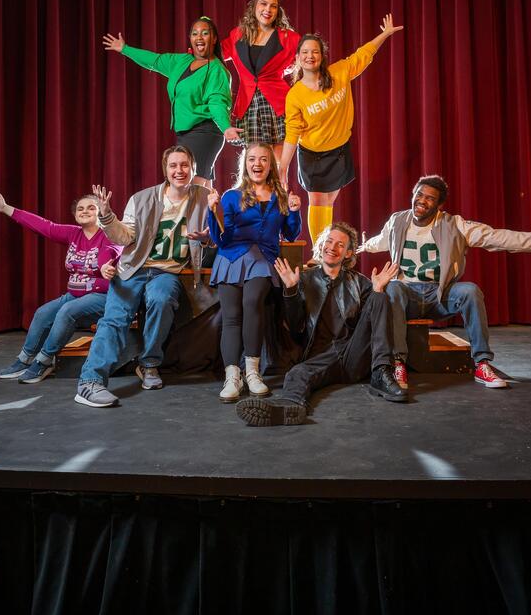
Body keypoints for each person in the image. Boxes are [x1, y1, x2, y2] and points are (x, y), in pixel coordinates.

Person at [358, 175, 531, 390]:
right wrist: (361, 247)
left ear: (439, 205)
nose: (422, 201)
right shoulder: (398, 221)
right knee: (394, 287)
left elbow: (498, 237)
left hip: (440, 294)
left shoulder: (455, 225)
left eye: (430, 198)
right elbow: (381, 241)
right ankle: (398, 363)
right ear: (412, 195)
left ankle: (481, 364)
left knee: (470, 291)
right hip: (406, 293)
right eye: (419, 194)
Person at [74, 145, 210, 408]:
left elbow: (217, 233)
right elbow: (125, 237)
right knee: (115, 318)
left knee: (162, 299)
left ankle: (149, 365)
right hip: (134, 268)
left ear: (193, 168)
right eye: (173, 165)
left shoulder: (205, 197)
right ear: (165, 170)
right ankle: (90, 382)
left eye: (184, 165)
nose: (179, 171)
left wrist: (207, 238)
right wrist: (106, 216)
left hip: (166, 271)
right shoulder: (142, 198)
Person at [235, 222, 405, 427]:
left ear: (349, 253)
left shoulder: (361, 283)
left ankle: (381, 372)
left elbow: (372, 323)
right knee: (297, 374)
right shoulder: (304, 279)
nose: (332, 247)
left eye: (340, 245)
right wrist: (290, 291)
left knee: (380, 298)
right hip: (320, 357)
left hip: (353, 355)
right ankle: (290, 407)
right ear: (321, 244)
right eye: (329, 241)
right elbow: (296, 327)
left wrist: (377, 290)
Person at [278, 14, 403, 248]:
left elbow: (363, 56)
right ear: (297, 58)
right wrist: (283, 167)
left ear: (322, 56)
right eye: (304, 52)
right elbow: (292, 132)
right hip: (312, 154)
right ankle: (319, 252)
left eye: (315, 51)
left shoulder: (339, 73)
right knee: (317, 199)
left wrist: (384, 35)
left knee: (329, 202)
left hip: (338, 149)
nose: (310, 56)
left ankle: (325, 248)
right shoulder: (295, 95)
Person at [0, 192, 120, 383]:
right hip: (75, 295)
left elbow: (111, 253)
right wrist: (6, 209)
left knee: (67, 310)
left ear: (100, 212)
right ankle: (25, 359)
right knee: (43, 312)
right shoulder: (73, 234)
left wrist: (106, 267)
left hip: (103, 296)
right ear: (74, 214)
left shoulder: (109, 234)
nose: (85, 211)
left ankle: (45, 360)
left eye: (91, 207)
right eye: (80, 208)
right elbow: (44, 226)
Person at [207, 143, 302, 402]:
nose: (257, 164)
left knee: (252, 303)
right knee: (231, 316)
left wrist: (294, 211)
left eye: (263, 159)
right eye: (252, 159)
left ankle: (252, 373)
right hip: (231, 258)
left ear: (270, 165)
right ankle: (232, 377)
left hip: (263, 258)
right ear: (245, 164)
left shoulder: (280, 195)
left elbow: (291, 234)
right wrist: (211, 211)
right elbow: (221, 240)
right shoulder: (230, 196)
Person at [103, 17, 242, 187]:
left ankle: (194, 215)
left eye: (205, 33)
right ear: (190, 38)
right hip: (186, 133)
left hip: (204, 133)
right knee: (203, 191)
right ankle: (210, 215)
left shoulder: (216, 70)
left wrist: (226, 126)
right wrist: (124, 49)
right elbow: (154, 60)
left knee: (190, 189)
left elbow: (217, 102)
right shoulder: (181, 61)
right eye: (194, 33)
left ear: (214, 39)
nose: (199, 37)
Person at [222, 0, 300, 160]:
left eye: (273, 6)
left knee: (278, 165)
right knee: (254, 162)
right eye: (263, 4)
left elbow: (308, 57)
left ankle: (279, 188)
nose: (268, 10)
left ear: (278, 10)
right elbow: (216, 55)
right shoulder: (237, 35)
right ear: (255, 6)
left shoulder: (289, 37)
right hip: (248, 105)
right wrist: (191, 57)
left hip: (278, 105)